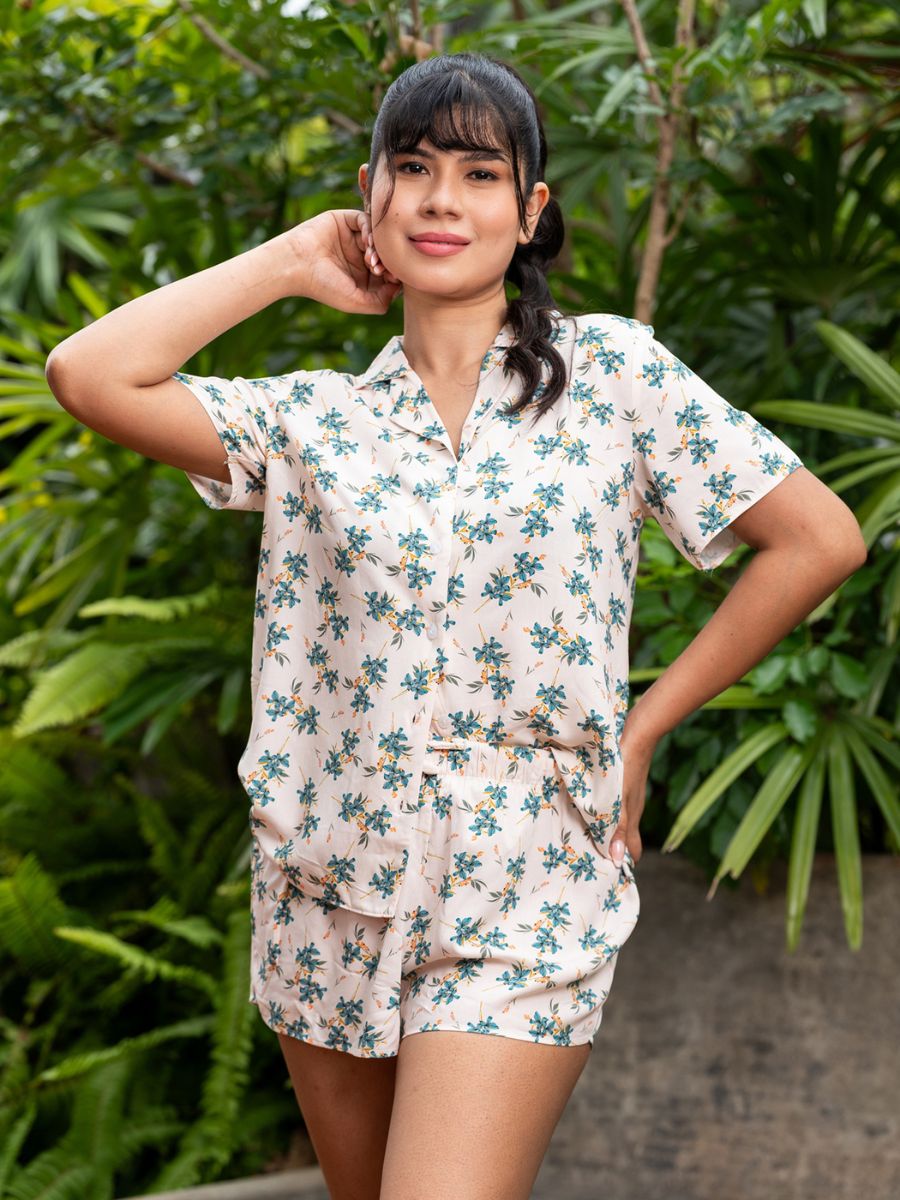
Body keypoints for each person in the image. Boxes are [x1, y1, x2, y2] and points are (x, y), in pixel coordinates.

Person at [45, 50, 865, 1200]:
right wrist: (290, 262)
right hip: (328, 888)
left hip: (525, 884)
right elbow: (89, 373)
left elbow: (820, 539)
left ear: (529, 211)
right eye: (413, 167)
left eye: (481, 174)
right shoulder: (312, 424)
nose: (441, 200)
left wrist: (642, 730)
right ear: (369, 192)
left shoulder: (613, 380)